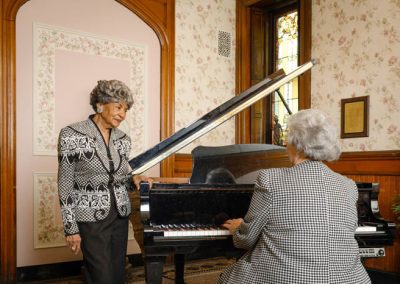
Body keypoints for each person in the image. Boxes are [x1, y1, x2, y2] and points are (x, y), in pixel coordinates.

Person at [218, 109, 371, 284]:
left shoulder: (270, 180)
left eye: (287, 137)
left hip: (288, 278)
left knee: (227, 278)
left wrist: (238, 228)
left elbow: (246, 239)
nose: (285, 143)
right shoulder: (348, 185)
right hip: (351, 280)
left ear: (295, 143)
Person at [57, 80, 152, 284]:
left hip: (119, 214)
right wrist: (70, 228)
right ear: (101, 104)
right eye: (118, 107)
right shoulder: (72, 134)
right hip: (90, 217)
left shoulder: (123, 139)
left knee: (118, 273)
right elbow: (65, 184)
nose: (122, 114)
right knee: (101, 275)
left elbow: (119, 174)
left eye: (125, 109)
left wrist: (134, 177)